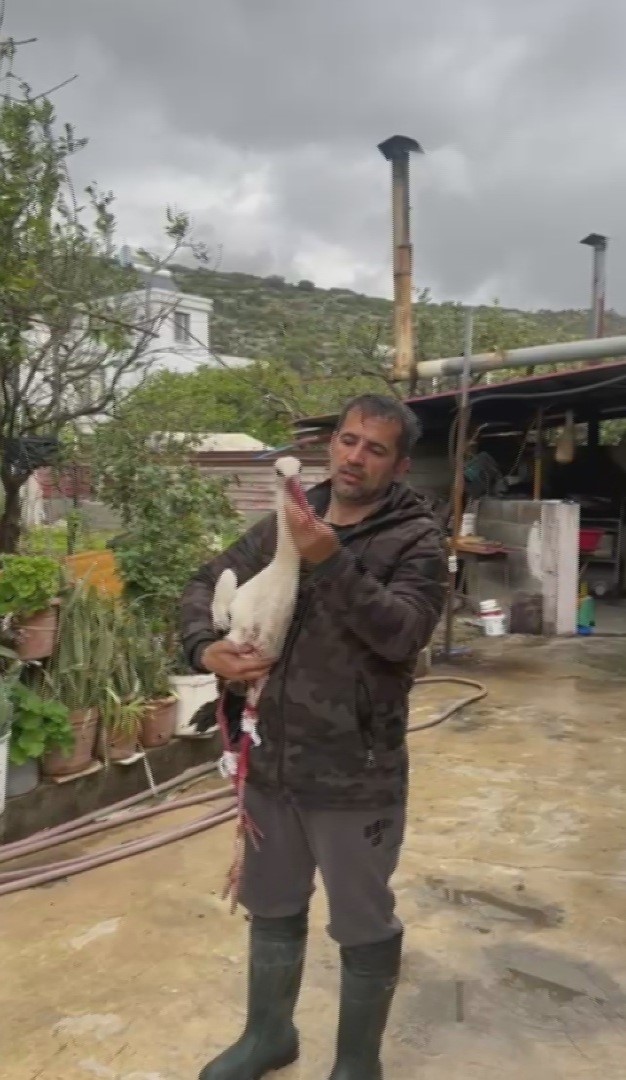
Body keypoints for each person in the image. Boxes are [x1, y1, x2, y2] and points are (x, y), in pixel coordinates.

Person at [180, 393, 448, 1080]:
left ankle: (358, 1064)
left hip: (355, 771)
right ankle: (269, 1035)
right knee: (271, 906)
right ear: (332, 444)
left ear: (399, 464)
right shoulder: (289, 516)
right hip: (271, 761)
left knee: (362, 922)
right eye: (348, 440)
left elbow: (404, 634)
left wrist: (331, 560)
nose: (355, 457)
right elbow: (204, 582)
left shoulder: (416, 540)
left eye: (375, 448)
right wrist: (205, 648)